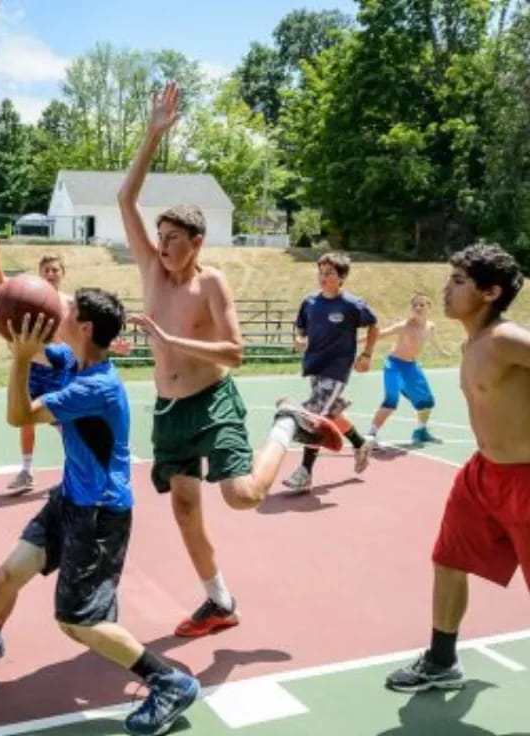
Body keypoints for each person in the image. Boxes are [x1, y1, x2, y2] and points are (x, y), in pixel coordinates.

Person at [117, 81, 345, 638]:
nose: (162, 244)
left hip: (213, 402)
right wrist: (152, 135)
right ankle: (219, 602)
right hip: (170, 412)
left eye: (173, 237)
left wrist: (174, 342)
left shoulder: (211, 282)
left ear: (196, 242)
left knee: (242, 497)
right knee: (185, 510)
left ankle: (289, 422)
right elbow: (126, 199)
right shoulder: (150, 269)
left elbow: (236, 352)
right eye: (161, 235)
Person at [0, 288, 201, 735]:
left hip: (99, 513)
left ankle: (169, 682)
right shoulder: (70, 360)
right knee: (8, 575)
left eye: (70, 310)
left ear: (85, 328)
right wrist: (16, 323)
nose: (62, 312)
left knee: (77, 621)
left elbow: (19, 415)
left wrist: (19, 361)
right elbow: (34, 338)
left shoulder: (95, 386)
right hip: (71, 496)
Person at [386, 243, 528, 693]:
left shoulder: (506, 339)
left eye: (459, 281)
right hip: (482, 474)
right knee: (449, 560)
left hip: (525, 479)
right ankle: (441, 660)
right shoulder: (474, 341)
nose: (446, 289)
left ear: (490, 292)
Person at [282, 252, 380, 493]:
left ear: (342, 277)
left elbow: (374, 325)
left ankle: (305, 472)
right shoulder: (310, 302)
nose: (323, 277)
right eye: (321, 272)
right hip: (314, 365)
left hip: (337, 368)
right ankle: (360, 444)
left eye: (330, 273)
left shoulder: (352, 305)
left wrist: (366, 354)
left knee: (315, 416)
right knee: (331, 412)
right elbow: (301, 330)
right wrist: (299, 340)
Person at [0, 233, 72, 494]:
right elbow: (3, 285)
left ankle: (74, 471)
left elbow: (85, 333)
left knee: (67, 424)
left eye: (55, 269)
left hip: (57, 368)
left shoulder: (69, 303)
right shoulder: (29, 297)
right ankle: (27, 471)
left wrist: (111, 346)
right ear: (40, 274)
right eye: (46, 270)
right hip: (31, 365)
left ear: (62, 273)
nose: (51, 273)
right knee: (26, 420)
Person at [365, 293, 451, 446]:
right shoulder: (404, 325)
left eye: (422, 304)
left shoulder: (430, 326)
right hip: (394, 365)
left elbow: (433, 341)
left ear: (429, 307)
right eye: (415, 305)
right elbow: (380, 335)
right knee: (391, 402)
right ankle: (371, 434)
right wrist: (354, 342)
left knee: (427, 402)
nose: (418, 307)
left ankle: (420, 432)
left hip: (411, 366)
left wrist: (441, 352)